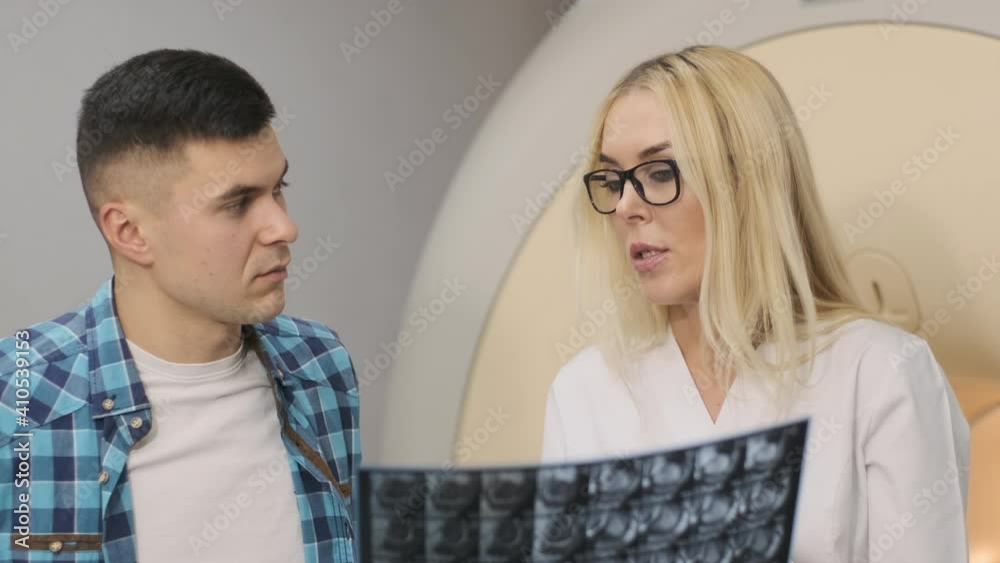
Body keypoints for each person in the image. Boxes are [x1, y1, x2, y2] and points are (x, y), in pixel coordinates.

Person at [541, 45, 969, 562]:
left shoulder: (878, 372)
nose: (626, 206)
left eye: (660, 173)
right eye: (612, 181)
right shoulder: (584, 392)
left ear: (746, 183)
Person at [0, 49, 360, 562]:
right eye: (237, 203)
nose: (285, 227)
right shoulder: (17, 399)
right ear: (130, 232)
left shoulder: (321, 367)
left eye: (278, 188)